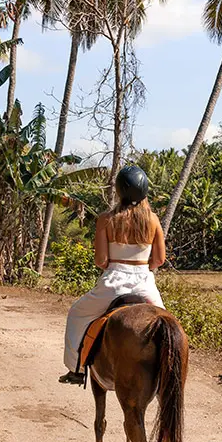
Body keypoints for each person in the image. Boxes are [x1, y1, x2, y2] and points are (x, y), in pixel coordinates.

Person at [59, 164, 166, 385]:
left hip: (113, 283)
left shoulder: (106, 219)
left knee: (77, 314)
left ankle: (76, 370)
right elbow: (159, 260)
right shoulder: (153, 220)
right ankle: (168, 373)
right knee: (167, 326)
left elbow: (100, 261)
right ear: (145, 190)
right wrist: (143, 266)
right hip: (145, 284)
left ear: (119, 191)